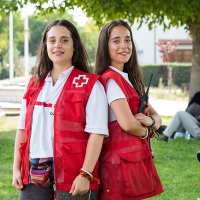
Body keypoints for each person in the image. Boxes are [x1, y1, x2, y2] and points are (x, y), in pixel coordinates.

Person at [12, 19, 109, 200]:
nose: (57, 45)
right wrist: (17, 168)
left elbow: (97, 133)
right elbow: (22, 129)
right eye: (52, 40)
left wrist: (85, 174)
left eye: (64, 40)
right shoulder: (34, 84)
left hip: (73, 174)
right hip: (35, 173)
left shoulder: (90, 84)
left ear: (74, 46)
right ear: (45, 46)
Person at [94, 20, 164, 200]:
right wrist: (149, 130)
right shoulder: (111, 80)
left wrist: (151, 121)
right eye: (116, 41)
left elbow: (157, 117)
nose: (124, 46)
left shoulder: (129, 80)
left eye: (127, 40)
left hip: (131, 161)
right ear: (105, 46)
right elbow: (128, 124)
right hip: (118, 165)